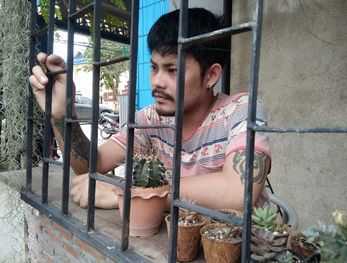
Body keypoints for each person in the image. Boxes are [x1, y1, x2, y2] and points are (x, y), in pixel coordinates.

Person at [29, 8, 271, 211]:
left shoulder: (241, 111)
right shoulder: (149, 119)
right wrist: (62, 114)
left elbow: (239, 191)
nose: (157, 81)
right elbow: (91, 165)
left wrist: (124, 194)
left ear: (211, 75)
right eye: (154, 68)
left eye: (172, 70)